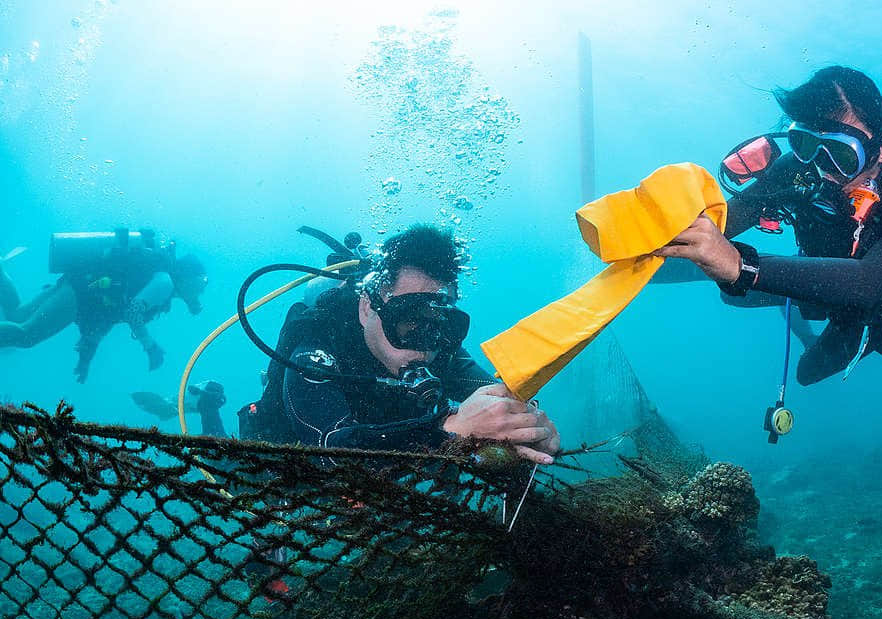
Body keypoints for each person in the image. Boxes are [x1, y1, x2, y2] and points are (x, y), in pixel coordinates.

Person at [654, 66, 882, 384]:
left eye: (841, 153)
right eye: (805, 143)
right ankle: (784, 290)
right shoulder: (800, 167)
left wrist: (741, 267)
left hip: (865, 301)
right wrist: (670, 237)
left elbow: (869, 282)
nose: (821, 167)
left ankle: (817, 312)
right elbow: (729, 219)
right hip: (814, 271)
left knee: (807, 374)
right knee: (729, 294)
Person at [241, 224, 560, 465]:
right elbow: (334, 451)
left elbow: (496, 399)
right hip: (288, 469)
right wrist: (452, 427)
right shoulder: (318, 349)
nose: (424, 347)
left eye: (438, 324)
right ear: (368, 308)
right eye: (407, 319)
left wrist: (529, 424)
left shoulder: (437, 349)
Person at [0, 230, 208, 382]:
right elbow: (132, 310)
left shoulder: (162, 285)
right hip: (81, 294)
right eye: (202, 281)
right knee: (27, 335)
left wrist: (86, 356)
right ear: (188, 277)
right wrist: (150, 345)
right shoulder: (165, 283)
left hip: (80, 285)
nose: (202, 290)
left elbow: (109, 315)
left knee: (17, 315)